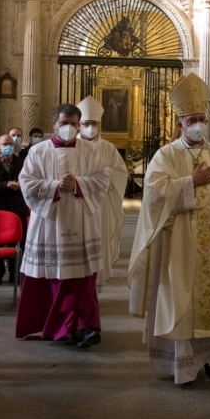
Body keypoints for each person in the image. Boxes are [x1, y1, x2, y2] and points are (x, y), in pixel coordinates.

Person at [128, 73, 210, 385]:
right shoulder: (165, 156)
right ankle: (182, 365)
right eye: (192, 119)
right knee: (183, 303)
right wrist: (190, 182)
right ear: (180, 122)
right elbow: (154, 197)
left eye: (202, 118)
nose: (198, 124)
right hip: (180, 246)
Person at [15, 104, 111, 349]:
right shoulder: (38, 152)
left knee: (82, 279)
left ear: (79, 126)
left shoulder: (90, 150)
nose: (68, 128)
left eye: (73, 123)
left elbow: (102, 179)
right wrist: (55, 187)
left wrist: (77, 184)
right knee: (53, 277)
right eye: (63, 123)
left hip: (81, 221)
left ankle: (83, 326)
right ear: (53, 124)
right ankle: (59, 325)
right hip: (49, 222)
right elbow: (26, 183)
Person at [77, 96, 128, 286]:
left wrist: (104, 173)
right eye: (86, 123)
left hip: (101, 204)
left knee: (99, 240)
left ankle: (97, 280)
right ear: (79, 125)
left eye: (94, 123)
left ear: (99, 124)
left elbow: (121, 172)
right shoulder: (70, 146)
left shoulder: (108, 148)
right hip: (78, 203)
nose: (90, 127)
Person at [0, 134, 29, 285]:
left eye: (10, 143)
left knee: (18, 242)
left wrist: (19, 186)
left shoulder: (22, 163)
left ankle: (15, 274)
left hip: (17, 208)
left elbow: (29, 182)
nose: (8, 146)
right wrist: (5, 185)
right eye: (5, 144)